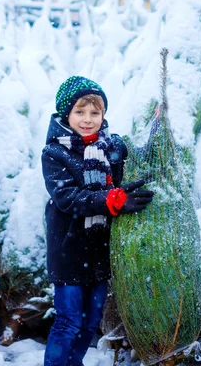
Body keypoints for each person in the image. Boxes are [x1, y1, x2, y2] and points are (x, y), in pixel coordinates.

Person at [41, 76, 154, 366]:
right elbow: (67, 198)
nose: (88, 119)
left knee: (91, 321)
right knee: (68, 322)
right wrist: (111, 200)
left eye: (95, 112)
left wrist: (157, 121)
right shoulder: (55, 152)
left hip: (100, 252)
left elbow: (140, 154)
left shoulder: (112, 146)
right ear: (66, 114)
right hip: (68, 250)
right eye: (80, 112)